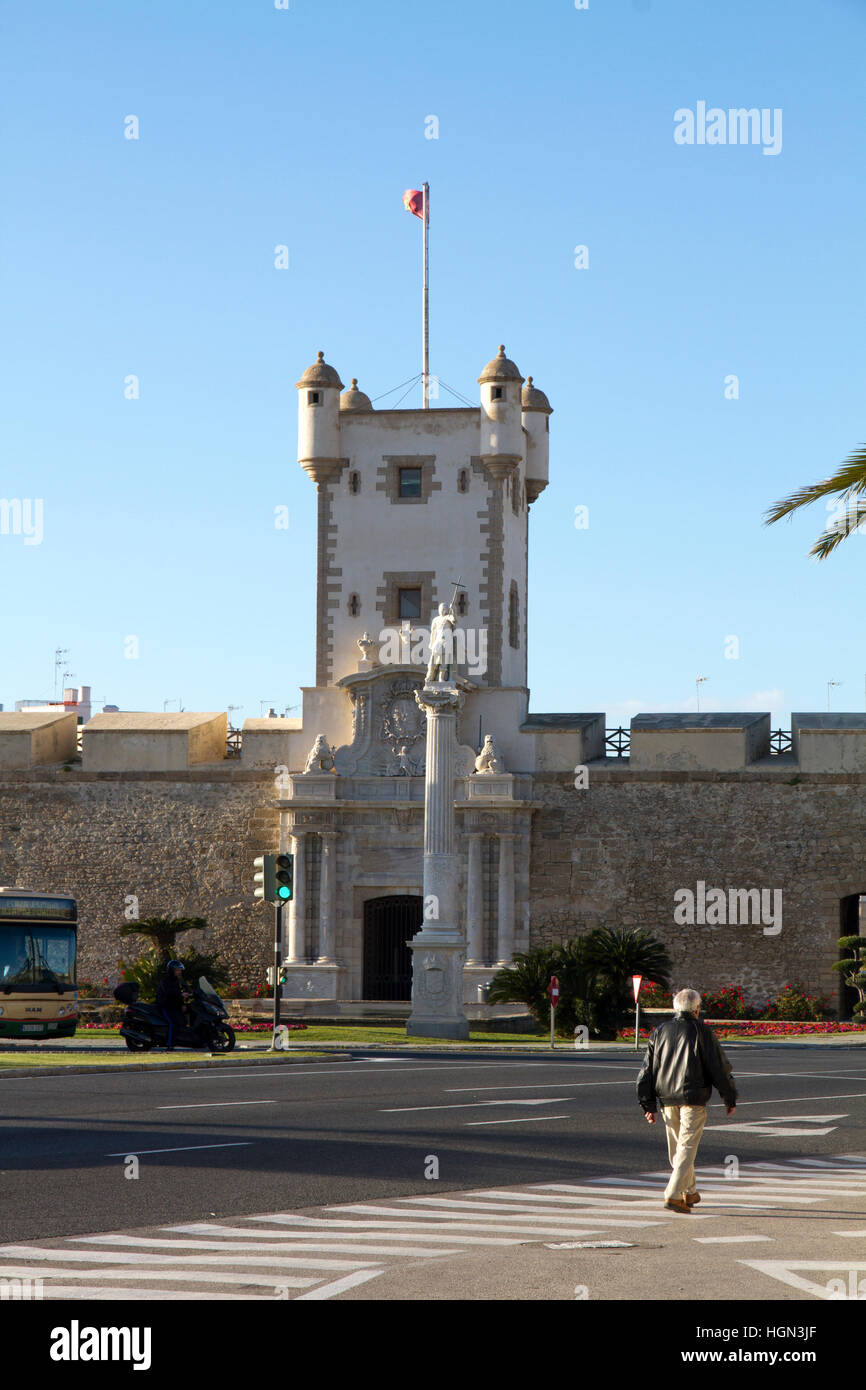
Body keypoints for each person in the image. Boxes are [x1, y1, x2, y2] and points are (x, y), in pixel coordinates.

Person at [636, 987, 738, 1213]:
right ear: (697, 1009)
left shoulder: (660, 1031)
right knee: (686, 1148)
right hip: (693, 1097)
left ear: (675, 1007)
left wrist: (648, 1103)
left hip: (667, 1098)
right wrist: (729, 1096)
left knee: (678, 1150)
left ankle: (689, 1192)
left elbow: (647, 1070)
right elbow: (719, 1068)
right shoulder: (702, 1031)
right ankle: (672, 1194)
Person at [155, 960, 187, 1050]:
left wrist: (183, 1002)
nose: (179, 972)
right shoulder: (166, 981)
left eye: (179, 970)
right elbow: (169, 993)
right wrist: (181, 995)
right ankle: (170, 1044)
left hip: (173, 1005)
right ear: (171, 970)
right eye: (177, 970)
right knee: (172, 1023)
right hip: (165, 1006)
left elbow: (177, 994)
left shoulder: (176, 980)